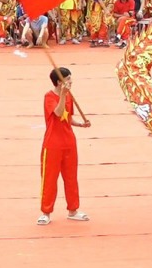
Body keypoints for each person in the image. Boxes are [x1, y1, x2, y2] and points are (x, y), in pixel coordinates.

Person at [38, 67, 91, 225]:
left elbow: (67, 118)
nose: (70, 82)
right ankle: (46, 212)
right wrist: (62, 95)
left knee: (71, 178)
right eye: (67, 79)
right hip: (52, 144)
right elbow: (59, 113)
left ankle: (73, 210)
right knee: (49, 179)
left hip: (69, 143)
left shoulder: (69, 96)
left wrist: (80, 125)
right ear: (59, 82)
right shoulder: (49, 97)